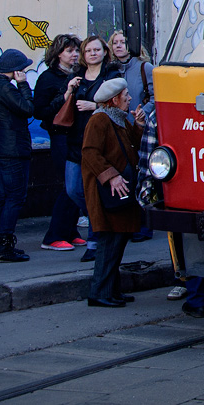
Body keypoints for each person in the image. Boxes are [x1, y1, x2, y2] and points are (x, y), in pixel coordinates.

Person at [81, 77, 145, 307]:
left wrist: (138, 125)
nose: (129, 99)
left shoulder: (119, 119)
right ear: (114, 99)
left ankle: (111, 290)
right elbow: (89, 152)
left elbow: (133, 147)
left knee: (117, 240)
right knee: (110, 241)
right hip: (107, 191)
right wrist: (112, 175)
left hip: (120, 191)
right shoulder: (99, 120)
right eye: (125, 95)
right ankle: (100, 293)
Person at [66, 35, 119, 263]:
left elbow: (119, 103)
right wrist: (69, 91)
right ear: (83, 55)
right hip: (76, 140)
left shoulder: (111, 75)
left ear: (104, 52)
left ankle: (94, 242)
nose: (93, 53)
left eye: (97, 50)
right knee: (74, 190)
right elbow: (63, 106)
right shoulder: (76, 77)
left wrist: (94, 105)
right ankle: (100, 222)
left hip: (99, 142)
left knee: (94, 192)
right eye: (89, 51)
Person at [0, 49, 36, 263]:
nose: (24, 71)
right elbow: (27, 108)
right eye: (22, 69)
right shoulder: (5, 88)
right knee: (14, 197)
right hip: (11, 149)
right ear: (16, 70)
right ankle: (3, 248)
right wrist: (23, 84)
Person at [32, 34, 85, 251]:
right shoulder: (48, 78)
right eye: (70, 51)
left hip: (77, 135)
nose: (75, 55)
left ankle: (70, 231)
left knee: (77, 184)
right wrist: (64, 96)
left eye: (76, 51)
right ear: (58, 54)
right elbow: (39, 111)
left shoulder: (80, 74)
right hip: (60, 136)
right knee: (69, 185)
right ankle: (53, 236)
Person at [110, 30, 154, 243]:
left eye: (123, 42)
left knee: (144, 173)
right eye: (115, 42)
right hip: (120, 128)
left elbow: (157, 96)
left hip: (142, 128)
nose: (119, 46)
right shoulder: (110, 70)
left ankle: (144, 226)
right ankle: (129, 224)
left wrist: (144, 110)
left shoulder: (145, 68)